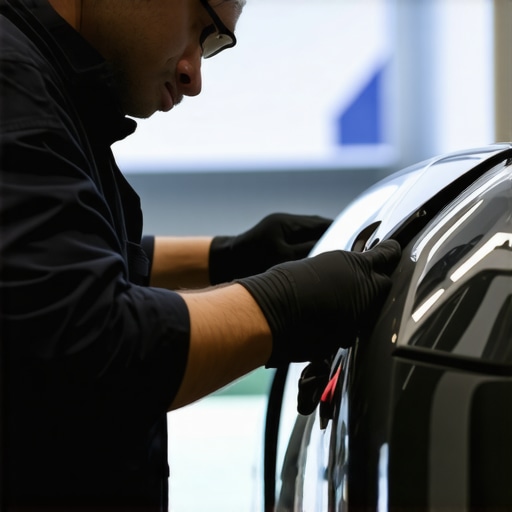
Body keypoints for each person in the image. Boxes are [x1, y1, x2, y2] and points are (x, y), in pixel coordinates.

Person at [0, 0, 401, 510]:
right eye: (200, 27)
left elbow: (61, 261)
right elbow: (90, 341)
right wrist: (282, 307)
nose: (193, 75)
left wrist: (227, 258)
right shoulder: (11, 86)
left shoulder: (36, 74)